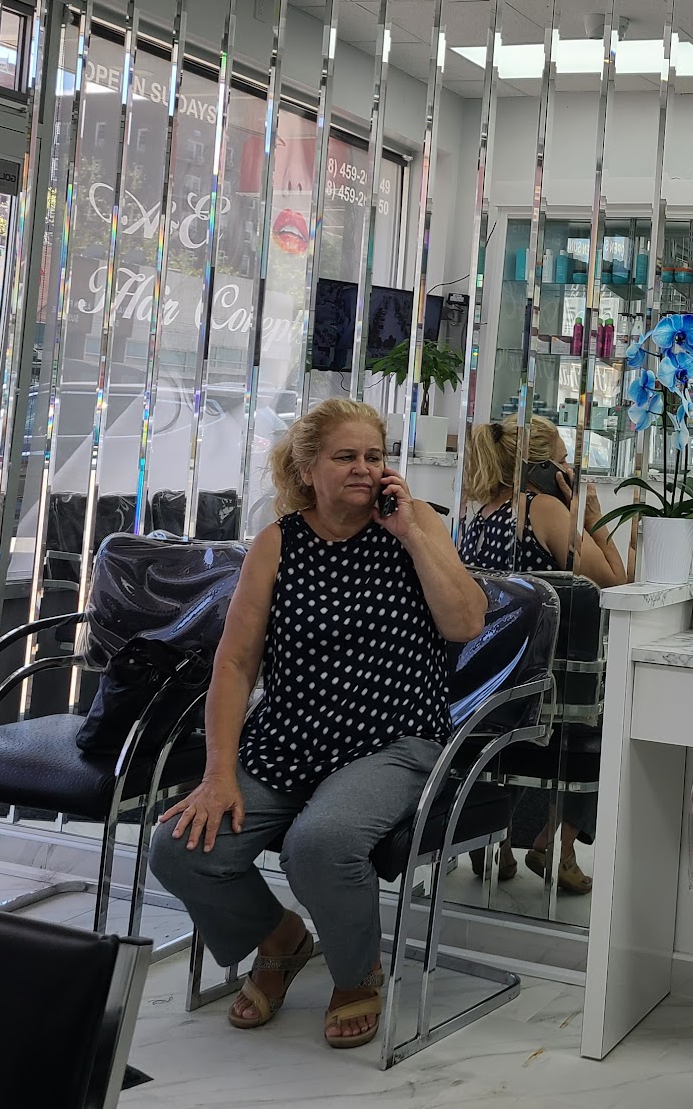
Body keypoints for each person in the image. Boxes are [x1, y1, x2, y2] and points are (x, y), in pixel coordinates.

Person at [149, 399, 486, 1049]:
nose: (363, 468)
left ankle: (357, 975)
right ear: (307, 469)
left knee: (318, 845)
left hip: (392, 739)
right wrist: (218, 773)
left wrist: (411, 536)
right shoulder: (278, 543)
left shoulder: (416, 524)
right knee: (179, 849)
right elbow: (235, 664)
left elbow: (466, 623)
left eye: (373, 456)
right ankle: (281, 939)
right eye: (345, 457)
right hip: (288, 741)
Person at [456, 415, 625, 895]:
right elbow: (615, 585)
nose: (571, 471)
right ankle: (556, 843)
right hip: (550, 683)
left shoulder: (477, 516)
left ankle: (497, 837)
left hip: (488, 683)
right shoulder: (544, 510)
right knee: (617, 712)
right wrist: (593, 522)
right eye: (564, 462)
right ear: (542, 469)